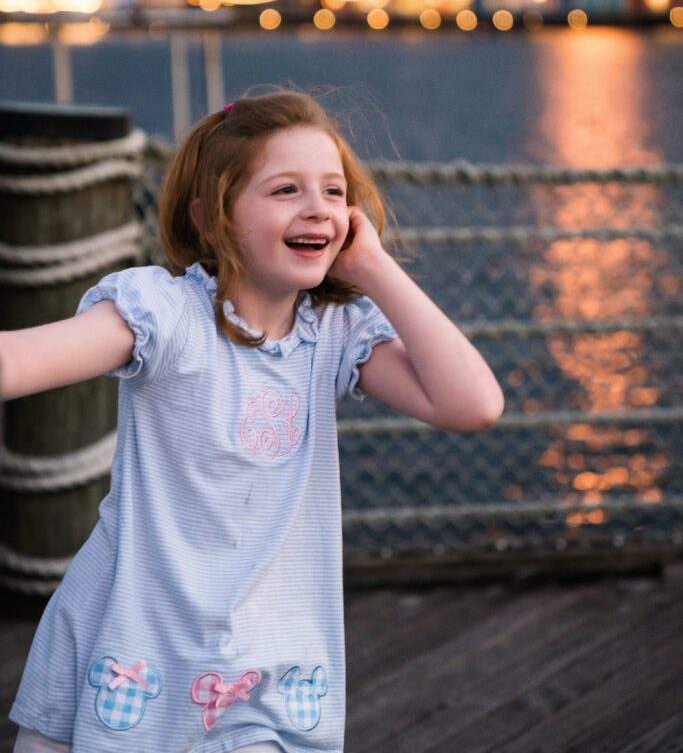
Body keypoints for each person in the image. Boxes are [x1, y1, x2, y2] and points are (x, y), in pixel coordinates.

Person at [3, 89, 504, 753]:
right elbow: (19, 360)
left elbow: (471, 405)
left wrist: (372, 266)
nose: (318, 209)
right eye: (285, 190)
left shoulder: (335, 331)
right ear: (212, 221)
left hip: (263, 666)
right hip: (128, 645)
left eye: (333, 191)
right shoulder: (163, 311)